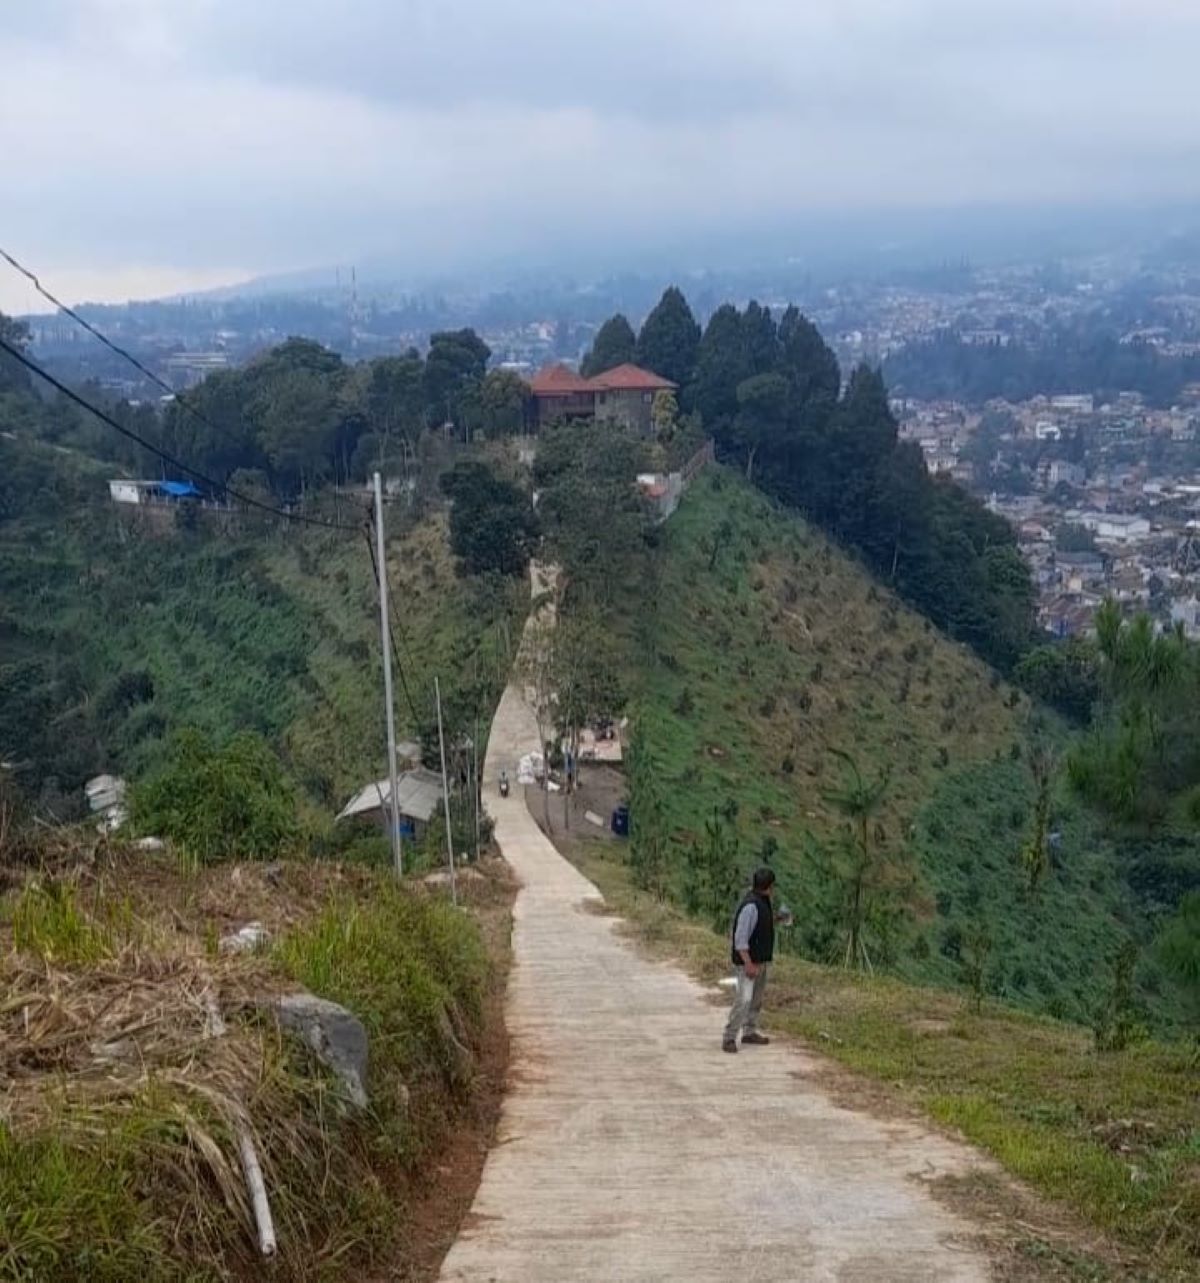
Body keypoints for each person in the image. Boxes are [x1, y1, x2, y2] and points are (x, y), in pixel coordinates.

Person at [722, 866, 787, 1053]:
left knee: (756, 1000)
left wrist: (776, 919)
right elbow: (740, 939)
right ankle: (729, 1037)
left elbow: (760, 923)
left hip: (760, 960)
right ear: (770, 886)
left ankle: (749, 1031)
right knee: (744, 999)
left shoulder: (762, 902)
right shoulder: (751, 906)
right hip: (748, 963)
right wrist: (748, 963)